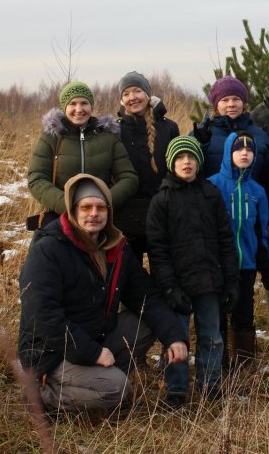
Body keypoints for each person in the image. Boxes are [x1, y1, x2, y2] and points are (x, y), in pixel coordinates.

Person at [17, 174, 188, 417]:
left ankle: (93, 384)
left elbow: (146, 298)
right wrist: (93, 353)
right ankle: (43, 393)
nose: (93, 213)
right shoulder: (49, 249)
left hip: (92, 336)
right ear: (73, 210)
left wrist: (174, 337)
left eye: (100, 207)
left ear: (108, 211)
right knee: (117, 388)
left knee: (145, 324)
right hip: (50, 354)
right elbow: (42, 316)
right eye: (86, 207)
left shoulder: (115, 248)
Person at [146, 135, 240, 406]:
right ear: (171, 163)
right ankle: (176, 388)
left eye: (191, 158)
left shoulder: (211, 194)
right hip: (176, 284)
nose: (186, 162)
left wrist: (231, 280)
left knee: (212, 337)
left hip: (209, 282)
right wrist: (168, 286)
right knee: (177, 338)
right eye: (180, 158)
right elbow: (157, 250)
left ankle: (210, 385)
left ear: (198, 163)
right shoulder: (161, 200)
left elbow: (225, 239)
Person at [208, 131, 269, 367]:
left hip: (246, 265)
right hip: (218, 264)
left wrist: (267, 268)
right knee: (217, 316)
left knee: (244, 314)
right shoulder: (212, 185)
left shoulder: (257, 191)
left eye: (250, 150)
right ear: (229, 153)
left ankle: (244, 369)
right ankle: (219, 368)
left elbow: (261, 233)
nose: (245, 153)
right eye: (239, 149)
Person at [27, 81, 138, 229]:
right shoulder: (52, 137)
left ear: (91, 106)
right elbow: (37, 179)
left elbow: (129, 178)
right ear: (64, 106)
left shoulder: (108, 136)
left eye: (84, 103)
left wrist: (101, 205)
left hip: (98, 222)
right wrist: (68, 206)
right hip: (59, 220)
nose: (78, 109)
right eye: (72, 103)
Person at [114, 71, 180, 261]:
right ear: (121, 101)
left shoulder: (169, 128)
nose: (132, 98)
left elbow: (176, 170)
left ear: (148, 94)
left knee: (163, 271)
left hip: (162, 211)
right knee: (130, 275)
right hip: (127, 215)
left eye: (137, 91)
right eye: (126, 94)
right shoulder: (115, 130)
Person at [192, 75, 269, 181]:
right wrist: (202, 145)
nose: (231, 104)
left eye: (236, 99)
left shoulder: (259, 135)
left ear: (243, 103)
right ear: (216, 106)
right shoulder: (201, 135)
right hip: (213, 196)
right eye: (225, 100)